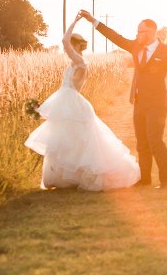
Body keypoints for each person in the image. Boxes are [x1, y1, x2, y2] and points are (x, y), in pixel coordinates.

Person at [25, 12, 140, 191]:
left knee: (78, 140)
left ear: (77, 46)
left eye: (72, 44)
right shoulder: (75, 63)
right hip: (66, 101)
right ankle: (66, 178)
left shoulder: (79, 62)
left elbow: (64, 41)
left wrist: (75, 22)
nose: (67, 47)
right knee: (67, 140)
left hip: (72, 103)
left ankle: (81, 176)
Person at [79, 10, 167, 189]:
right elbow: (114, 36)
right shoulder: (135, 46)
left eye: (141, 32)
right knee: (142, 143)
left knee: (155, 140)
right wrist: (93, 21)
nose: (137, 35)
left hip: (158, 103)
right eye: (137, 32)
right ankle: (144, 179)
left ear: (152, 32)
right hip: (140, 102)